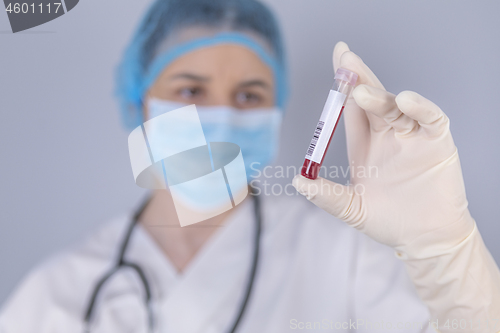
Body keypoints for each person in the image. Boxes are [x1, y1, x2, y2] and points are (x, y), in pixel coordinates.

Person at [1, 0, 499, 332]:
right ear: (140, 103)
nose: (221, 117)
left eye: (249, 95)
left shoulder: (342, 258)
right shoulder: (58, 292)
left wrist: (445, 249)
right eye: (190, 90)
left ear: (276, 110)